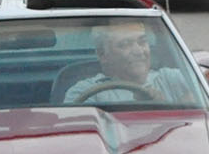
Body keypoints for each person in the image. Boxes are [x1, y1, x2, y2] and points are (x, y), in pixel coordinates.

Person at [64, 21, 194, 104]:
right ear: (102, 55)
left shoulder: (173, 79)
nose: (138, 51)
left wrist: (163, 105)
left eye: (142, 42)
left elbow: (197, 124)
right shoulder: (83, 92)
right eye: (125, 44)